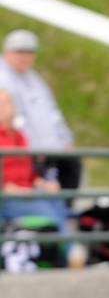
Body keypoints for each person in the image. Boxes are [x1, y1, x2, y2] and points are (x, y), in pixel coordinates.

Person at [0, 29, 81, 191]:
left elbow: (52, 112)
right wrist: (33, 148)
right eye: (20, 52)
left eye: (29, 53)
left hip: (49, 147)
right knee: (40, 183)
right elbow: (15, 120)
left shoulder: (34, 79)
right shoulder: (4, 79)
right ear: (7, 52)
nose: (25, 57)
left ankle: (66, 210)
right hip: (28, 150)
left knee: (71, 168)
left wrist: (66, 140)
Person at [0, 88, 69, 234]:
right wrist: (8, 188)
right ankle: (70, 251)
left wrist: (43, 183)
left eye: (7, 103)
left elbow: (30, 172)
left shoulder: (20, 136)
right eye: (1, 104)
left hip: (27, 192)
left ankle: (64, 249)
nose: (6, 108)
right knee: (45, 212)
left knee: (56, 199)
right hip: (9, 197)